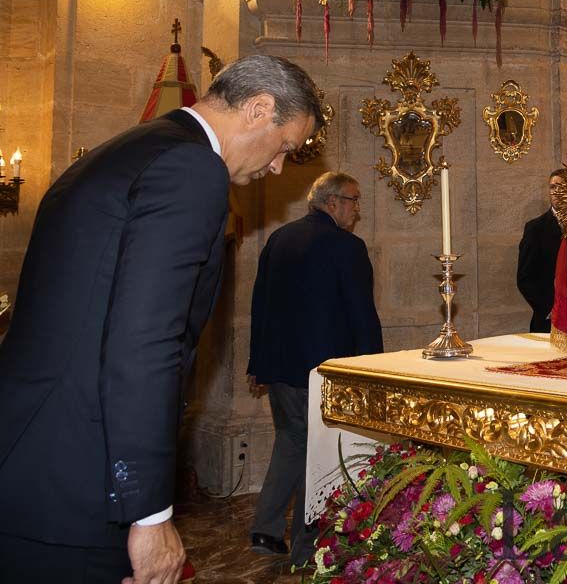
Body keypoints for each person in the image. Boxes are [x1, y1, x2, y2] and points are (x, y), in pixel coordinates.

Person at [0, 55, 322, 584]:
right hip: (78, 475)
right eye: (285, 146)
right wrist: (148, 513)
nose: (279, 167)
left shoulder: (125, 150)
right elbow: (145, 341)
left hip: (31, 454)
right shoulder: (192, 169)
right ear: (259, 108)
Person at [247, 171, 383, 567]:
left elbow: (260, 305)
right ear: (331, 201)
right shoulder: (347, 246)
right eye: (353, 200)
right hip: (323, 370)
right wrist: (372, 368)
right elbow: (363, 315)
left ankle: (265, 529)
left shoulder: (279, 238)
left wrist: (258, 362)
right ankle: (307, 546)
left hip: (280, 367)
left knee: (290, 442)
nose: (357, 209)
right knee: (318, 455)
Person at [517, 169, 567, 333]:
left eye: (562, 187)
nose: (556, 192)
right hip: (548, 321)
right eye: (553, 187)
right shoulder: (535, 228)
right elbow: (524, 278)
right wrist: (549, 309)